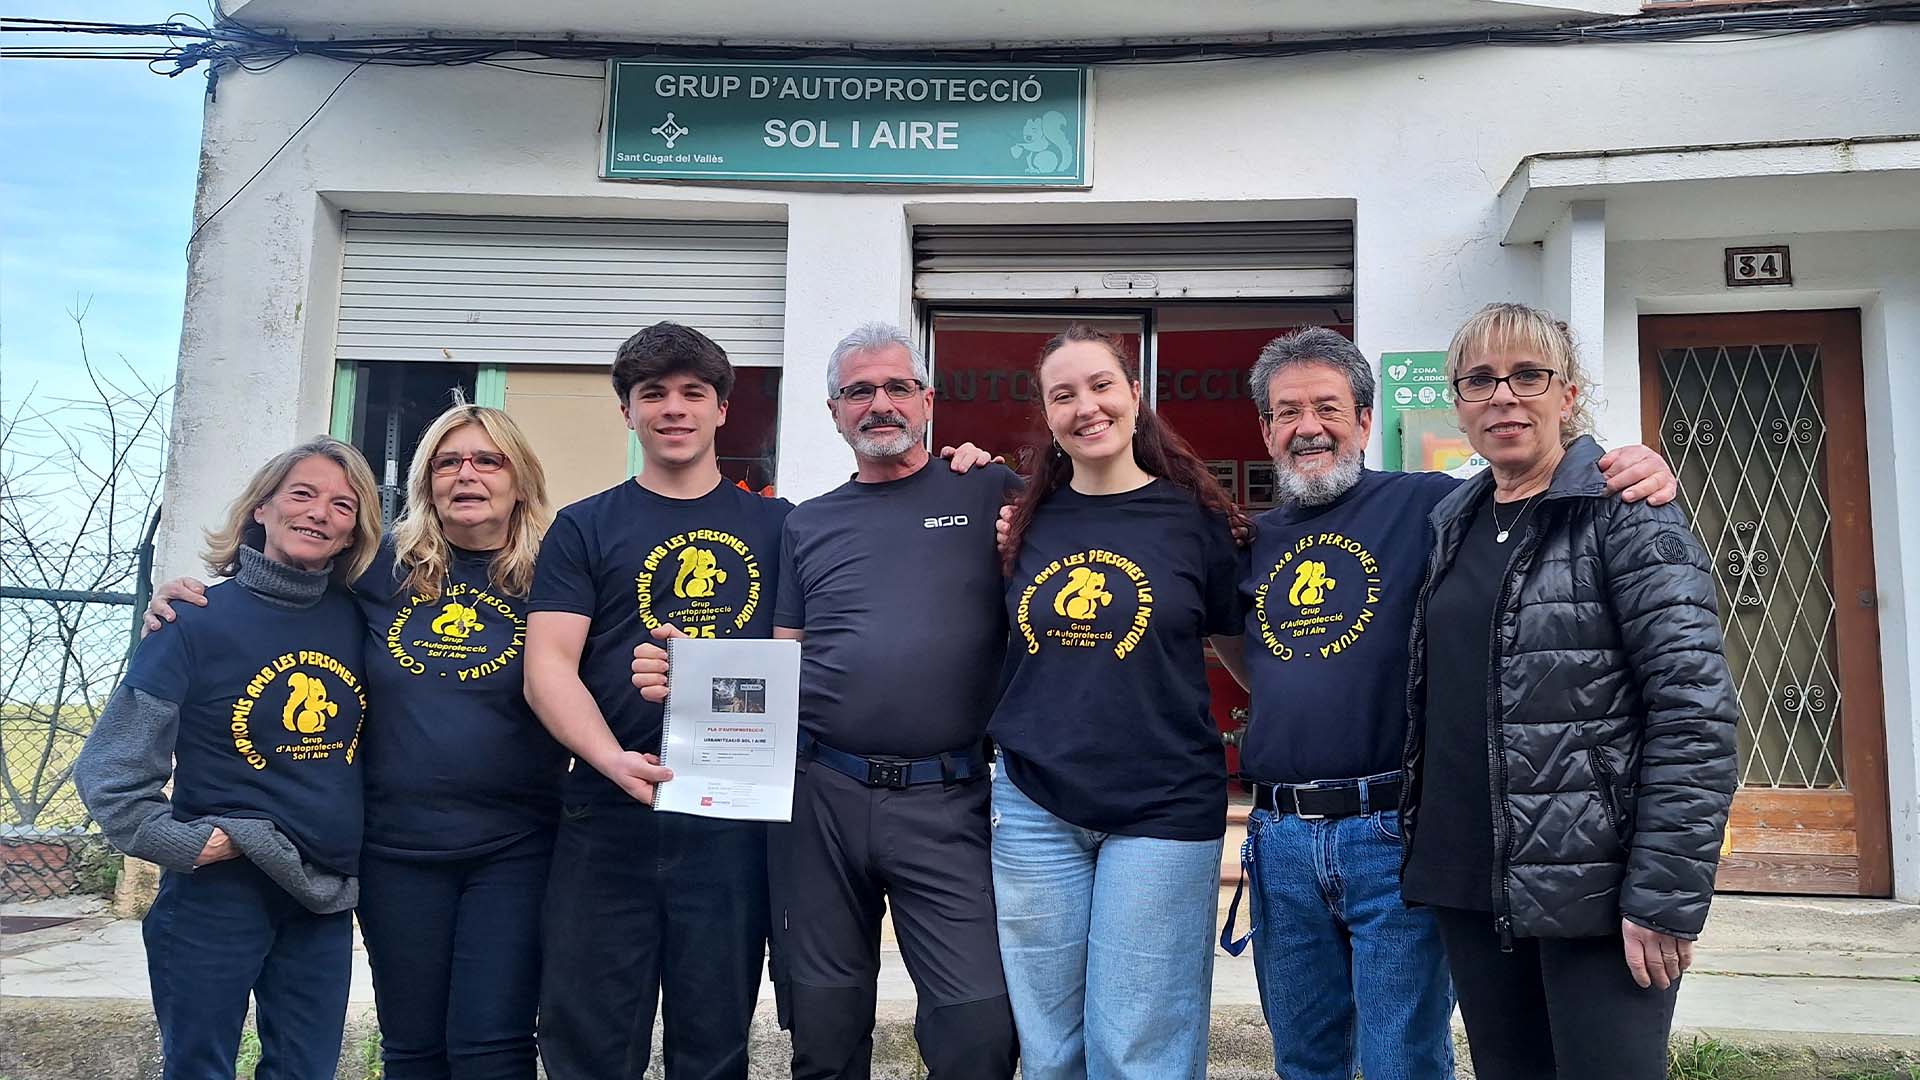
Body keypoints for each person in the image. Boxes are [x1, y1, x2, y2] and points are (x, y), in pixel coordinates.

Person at [1221, 326, 1680, 1080]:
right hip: (1279, 836)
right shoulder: (1249, 539)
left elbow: (1536, 477)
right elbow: (1248, 658)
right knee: (1302, 1059)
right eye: (1287, 412)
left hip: (1391, 831)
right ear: (1266, 429)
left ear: (1364, 419)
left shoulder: (1436, 506)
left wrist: (1630, 463)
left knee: (1401, 1060)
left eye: (1328, 408)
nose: (1309, 427)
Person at [637, 321, 1020, 1080]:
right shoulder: (806, 522)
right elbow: (784, 663)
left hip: (947, 799)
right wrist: (695, 678)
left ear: (928, 400)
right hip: (821, 800)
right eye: (859, 391)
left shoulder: (989, 490)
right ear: (834, 411)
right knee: (823, 1027)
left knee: (978, 1030)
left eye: (898, 387)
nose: (880, 404)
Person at [143, 405, 569, 1080]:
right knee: (412, 1046)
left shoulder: (560, 571)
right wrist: (187, 596)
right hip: (395, 850)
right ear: (426, 482)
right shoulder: (378, 566)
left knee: (492, 1046)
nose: (467, 475)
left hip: (517, 846)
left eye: (488, 461)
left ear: (521, 479)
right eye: (447, 462)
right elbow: (284, 578)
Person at [1401, 303, 1738, 1079]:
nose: (1503, 397)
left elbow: (1694, 713)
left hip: (1596, 891)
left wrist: (1664, 895)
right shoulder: (1454, 520)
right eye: (1480, 380)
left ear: (1569, 394)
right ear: (1458, 402)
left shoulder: (1628, 516)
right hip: (1473, 880)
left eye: (1528, 375)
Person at [524, 322, 797, 1080]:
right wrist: (612, 759)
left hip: (732, 814)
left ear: (722, 409)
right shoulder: (583, 526)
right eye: (653, 394)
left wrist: (705, 683)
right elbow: (548, 668)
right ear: (627, 411)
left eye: (692, 392)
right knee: (587, 1041)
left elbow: (798, 667)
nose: (673, 408)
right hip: (608, 811)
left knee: (713, 1044)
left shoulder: (781, 527)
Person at [77, 436, 381, 1080]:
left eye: (343, 505)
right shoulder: (194, 620)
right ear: (261, 508)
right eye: (302, 494)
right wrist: (191, 843)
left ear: (354, 532)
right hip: (217, 892)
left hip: (321, 897)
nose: (319, 512)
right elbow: (111, 771)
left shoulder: (364, 624)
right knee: (198, 1069)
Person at [988, 324, 1247, 1079]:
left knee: (1140, 1047)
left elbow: (1246, 655)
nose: (1086, 407)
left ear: (1135, 394)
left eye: (1101, 385)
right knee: (1050, 1051)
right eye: (1063, 395)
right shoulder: (1020, 521)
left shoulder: (1196, 521)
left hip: (1162, 805)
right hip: (1034, 805)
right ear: (1047, 416)